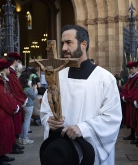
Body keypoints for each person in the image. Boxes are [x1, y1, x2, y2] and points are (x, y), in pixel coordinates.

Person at [40, 25, 122, 165]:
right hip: (63, 152)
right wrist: (50, 121)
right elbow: (47, 108)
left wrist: (83, 128)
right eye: (63, 43)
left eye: (69, 42)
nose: (64, 48)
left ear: (84, 44)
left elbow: (112, 117)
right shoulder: (58, 76)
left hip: (90, 148)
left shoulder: (105, 79)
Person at [6, 52, 28, 154]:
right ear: (15, 61)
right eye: (18, 61)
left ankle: (15, 145)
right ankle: (13, 146)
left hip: (15, 103)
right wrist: (20, 100)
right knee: (13, 127)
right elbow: (14, 90)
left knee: (15, 126)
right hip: (14, 104)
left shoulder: (12, 73)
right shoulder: (11, 73)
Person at [0, 59, 19, 165]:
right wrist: (13, 107)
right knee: (2, 136)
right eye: (7, 68)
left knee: (5, 136)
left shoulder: (3, 82)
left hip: (5, 114)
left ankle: (2, 156)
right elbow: (4, 98)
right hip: (2, 114)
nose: (9, 70)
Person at [120, 61, 138, 140]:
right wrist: (123, 95)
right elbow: (125, 88)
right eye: (130, 69)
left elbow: (134, 90)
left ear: (136, 68)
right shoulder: (130, 77)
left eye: (132, 68)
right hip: (129, 101)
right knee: (130, 119)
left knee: (135, 119)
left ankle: (136, 136)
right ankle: (132, 134)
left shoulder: (137, 77)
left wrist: (126, 97)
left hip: (132, 101)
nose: (130, 70)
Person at [19, 72, 38, 144]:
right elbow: (34, 97)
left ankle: (21, 137)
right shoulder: (28, 88)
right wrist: (35, 89)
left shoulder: (20, 86)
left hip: (22, 106)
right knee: (26, 122)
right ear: (27, 79)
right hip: (29, 106)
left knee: (22, 122)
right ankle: (25, 138)